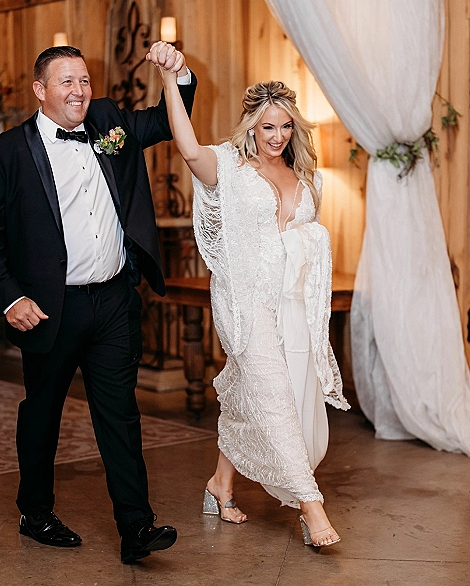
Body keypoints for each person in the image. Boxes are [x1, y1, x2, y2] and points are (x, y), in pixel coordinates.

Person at [0, 44, 197, 563]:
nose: (79, 91)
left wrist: (179, 72)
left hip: (114, 299)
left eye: (85, 81)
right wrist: (9, 298)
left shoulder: (110, 122)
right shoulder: (5, 153)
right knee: (43, 414)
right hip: (49, 307)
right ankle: (36, 511)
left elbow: (166, 119)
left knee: (119, 414)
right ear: (40, 90)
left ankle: (136, 527)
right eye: (66, 82)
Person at [146, 41, 349, 548]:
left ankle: (220, 484)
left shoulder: (308, 179)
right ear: (251, 129)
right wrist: (171, 82)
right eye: (267, 127)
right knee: (274, 398)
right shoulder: (229, 171)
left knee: (248, 395)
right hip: (245, 303)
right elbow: (188, 148)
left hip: (292, 308)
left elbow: (306, 246)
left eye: (284, 127)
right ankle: (312, 509)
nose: (277, 137)